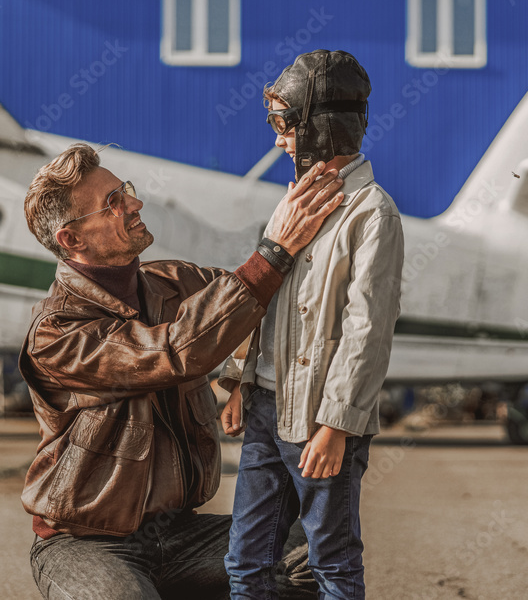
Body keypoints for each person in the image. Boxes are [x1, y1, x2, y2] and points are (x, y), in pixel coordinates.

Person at [19, 141, 345, 599]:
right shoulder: (55, 332)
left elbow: (256, 306)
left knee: (313, 550)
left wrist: (239, 376)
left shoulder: (176, 282)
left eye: (125, 190)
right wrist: (274, 248)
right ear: (72, 240)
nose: (135, 203)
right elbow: (170, 352)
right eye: (113, 203)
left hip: (181, 535)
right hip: (86, 544)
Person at [220, 50, 406, 599]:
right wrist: (238, 381)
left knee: (332, 563)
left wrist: (337, 427)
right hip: (263, 411)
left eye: (284, 125)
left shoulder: (372, 213)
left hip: (321, 423)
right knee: (243, 562)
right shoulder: (293, 202)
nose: (278, 140)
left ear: (320, 126)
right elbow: (265, 295)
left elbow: (367, 330)